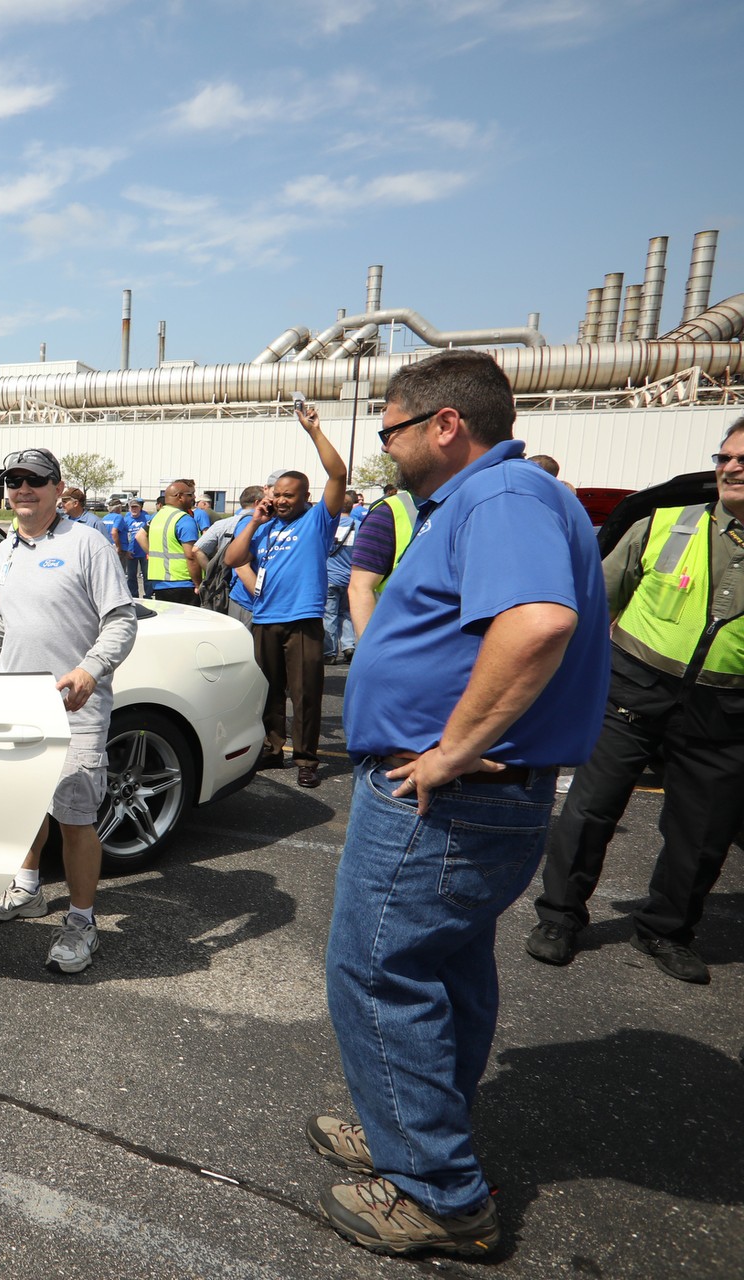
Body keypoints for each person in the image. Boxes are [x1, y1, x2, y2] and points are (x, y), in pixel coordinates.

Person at [310, 349, 609, 1258]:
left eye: (392, 430)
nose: (385, 448)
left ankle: (437, 1189)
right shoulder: (490, 498)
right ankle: (409, 1125)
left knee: (378, 973)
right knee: (442, 969)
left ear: (446, 424)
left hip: (443, 799)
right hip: (463, 801)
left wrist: (450, 750)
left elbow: (536, 622)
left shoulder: (501, 497)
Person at [527, 419, 744, 984]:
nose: (731, 467)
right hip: (633, 691)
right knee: (590, 810)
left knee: (702, 833)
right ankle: (558, 918)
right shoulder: (664, 526)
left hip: (725, 712)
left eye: (743, 460)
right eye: (724, 458)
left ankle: (666, 931)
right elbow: (593, 606)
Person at [0, 448, 137, 974]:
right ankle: (27, 891)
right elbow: (5, 613)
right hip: (19, 704)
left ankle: (83, 924)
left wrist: (90, 669)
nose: (22, 489)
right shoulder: (6, 549)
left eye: (34, 480)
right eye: (12, 480)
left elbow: (122, 620)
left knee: (75, 816)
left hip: (75, 707)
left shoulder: (87, 543)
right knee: (23, 805)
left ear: (57, 487)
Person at [224, 404, 349, 787]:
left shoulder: (318, 520)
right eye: (276, 494)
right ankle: (272, 748)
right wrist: (254, 521)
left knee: (306, 694)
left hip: (303, 619)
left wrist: (313, 432)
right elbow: (233, 558)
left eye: (288, 495)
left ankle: (307, 759)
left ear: (305, 496)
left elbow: (338, 473)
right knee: (268, 692)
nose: (281, 500)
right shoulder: (263, 526)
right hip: (265, 618)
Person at [344, 484, 418, 640]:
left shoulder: (470, 504)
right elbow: (360, 587)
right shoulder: (387, 510)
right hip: (399, 631)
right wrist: (369, 650)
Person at [194, 484, 265, 625]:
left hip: (226, 589)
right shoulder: (259, 525)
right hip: (247, 593)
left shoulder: (222, 524)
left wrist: (212, 571)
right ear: (257, 503)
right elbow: (242, 566)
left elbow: (197, 549)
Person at [137, 479, 206, 606]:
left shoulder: (156, 516)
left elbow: (139, 536)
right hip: (183, 582)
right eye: (190, 495)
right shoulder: (184, 519)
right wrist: (198, 583)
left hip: (159, 583)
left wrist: (152, 553)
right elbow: (191, 556)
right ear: (179, 497)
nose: (194, 498)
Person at [323, 500, 361, 662]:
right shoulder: (359, 526)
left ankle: (330, 652)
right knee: (346, 613)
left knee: (329, 614)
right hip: (350, 577)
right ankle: (348, 646)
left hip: (330, 576)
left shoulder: (327, 525)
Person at [123, 499, 151, 597]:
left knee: (147, 576)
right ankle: (133, 596)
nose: (134, 509)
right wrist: (126, 550)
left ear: (140, 508)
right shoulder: (126, 519)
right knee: (131, 577)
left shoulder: (147, 518)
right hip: (131, 552)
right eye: (132, 507)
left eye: (136, 507)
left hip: (144, 552)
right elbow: (123, 536)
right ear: (129, 508)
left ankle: (148, 596)